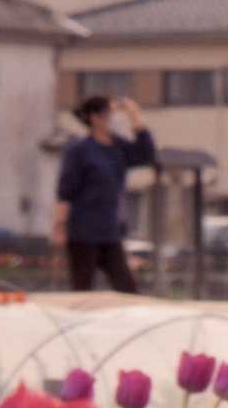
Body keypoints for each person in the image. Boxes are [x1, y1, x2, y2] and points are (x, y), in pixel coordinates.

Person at [51, 91, 154, 295]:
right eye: (108, 114)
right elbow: (65, 191)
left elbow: (145, 154)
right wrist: (60, 226)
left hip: (110, 230)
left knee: (126, 287)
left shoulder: (118, 147)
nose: (113, 119)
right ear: (95, 118)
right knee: (83, 287)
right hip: (83, 230)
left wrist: (134, 116)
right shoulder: (80, 150)